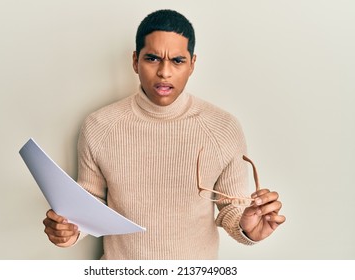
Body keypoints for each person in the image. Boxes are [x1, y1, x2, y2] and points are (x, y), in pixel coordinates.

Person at [43, 9, 285, 259]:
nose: (164, 72)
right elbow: (89, 204)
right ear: (135, 61)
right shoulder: (99, 125)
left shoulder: (223, 127)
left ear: (192, 64)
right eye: (153, 58)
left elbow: (231, 208)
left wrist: (248, 229)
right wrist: (69, 229)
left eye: (177, 61)